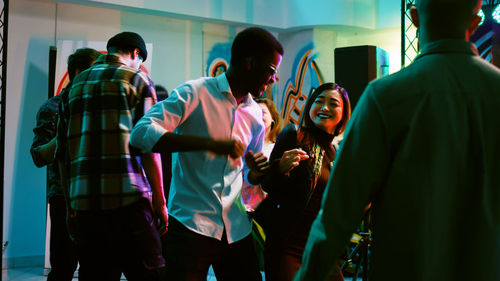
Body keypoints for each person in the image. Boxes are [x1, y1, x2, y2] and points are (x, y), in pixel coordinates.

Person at [294, 0, 500, 280]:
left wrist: (310, 273)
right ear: (475, 22)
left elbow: (339, 213)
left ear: (414, 17)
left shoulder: (385, 97)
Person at [130, 27, 284, 281]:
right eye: (272, 70)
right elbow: (140, 134)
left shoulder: (256, 114)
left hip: (236, 228)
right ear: (251, 63)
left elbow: (248, 176)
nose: (273, 79)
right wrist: (207, 143)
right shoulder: (196, 92)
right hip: (192, 225)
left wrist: (255, 173)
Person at [56, 31, 167, 281]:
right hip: (128, 204)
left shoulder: (73, 88)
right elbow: (148, 146)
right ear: (136, 54)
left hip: (85, 206)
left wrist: (70, 205)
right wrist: (160, 202)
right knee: (151, 274)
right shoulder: (137, 79)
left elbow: (63, 155)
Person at [258, 83, 350, 281]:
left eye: (333, 103)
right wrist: (280, 169)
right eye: (319, 101)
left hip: (321, 249)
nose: (324, 107)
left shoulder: (336, 154)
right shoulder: (295, 134)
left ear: (343, 113)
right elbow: (267, 185)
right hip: (288, 247)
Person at [30, 47, 100, 281]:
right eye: (94, 71)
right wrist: (64, 134)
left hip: (98, 195)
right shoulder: (52, 107)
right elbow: (38, 156)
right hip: (63, 195)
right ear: (77, 72)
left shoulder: (100, 105)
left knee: (95, 267)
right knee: (63, 266)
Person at [241, 97, 283, 212]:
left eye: (262, 112)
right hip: (237, 208)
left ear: (273, 119)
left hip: (262, 210)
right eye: (254, 113)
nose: (257, 116)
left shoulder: (276, 148)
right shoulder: (243, 146)